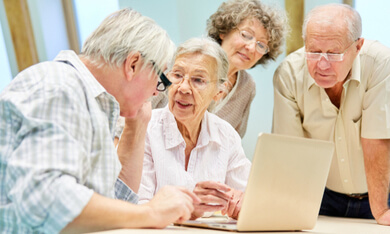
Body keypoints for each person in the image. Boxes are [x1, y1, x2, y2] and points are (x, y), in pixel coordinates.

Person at [0, 8, 200, 233]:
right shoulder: (60, 86)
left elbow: (115, 205)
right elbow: (47, 200)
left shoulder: (95, 103)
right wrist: (151, 212)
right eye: (160, 78)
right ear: (133, 64)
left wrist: (138, 124)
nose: (157, 92)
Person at [272, 4, 390, 225]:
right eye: (314, 51)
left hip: (383, 195)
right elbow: (289, 151)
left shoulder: (381, 63)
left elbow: (376, 139)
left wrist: (382, 211)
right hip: (321, 195)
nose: (322, 64)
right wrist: (289, 214)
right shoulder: (288, 74)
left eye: (333, 53)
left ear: (358, 46)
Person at [121, 37, 251, 220]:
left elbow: (251, 198)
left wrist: (243, 202)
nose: (183, 88)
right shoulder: (147, 129)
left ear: (219, 92)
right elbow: (136, 208)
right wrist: (190, 208)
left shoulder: (226, 135)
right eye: (177, 75)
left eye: (198, 80)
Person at [120, 0, 288, 139]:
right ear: (224, 31)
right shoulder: (177, 63)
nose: (251, 47)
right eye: (246, 35)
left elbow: (231, 141)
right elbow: (135, 113)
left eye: (261, 44)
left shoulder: (247, 87)